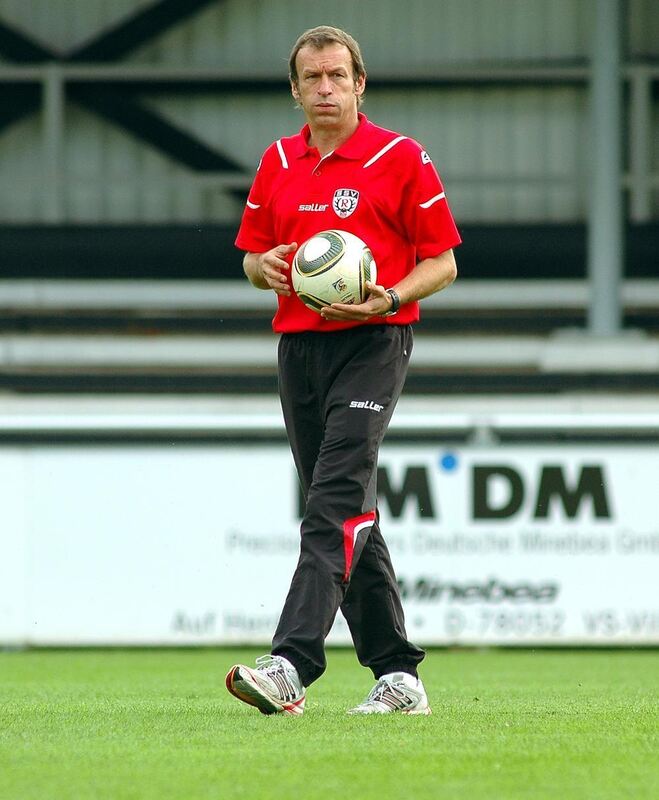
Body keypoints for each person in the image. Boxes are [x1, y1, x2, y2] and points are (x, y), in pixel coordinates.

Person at [226, 25, 460, 716]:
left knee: (329, 501)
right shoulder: (276, 161)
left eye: (336, 76)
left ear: (359, 83)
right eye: (312, 79)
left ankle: (291, 662)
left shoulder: (400, 157)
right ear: (295, 90)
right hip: (298, 350)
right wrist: (260, 266)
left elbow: (443, 263)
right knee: (349, 509)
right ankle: (399, 675)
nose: (324, 89)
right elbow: (250, 256)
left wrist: (388, 296)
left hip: (374, 340)